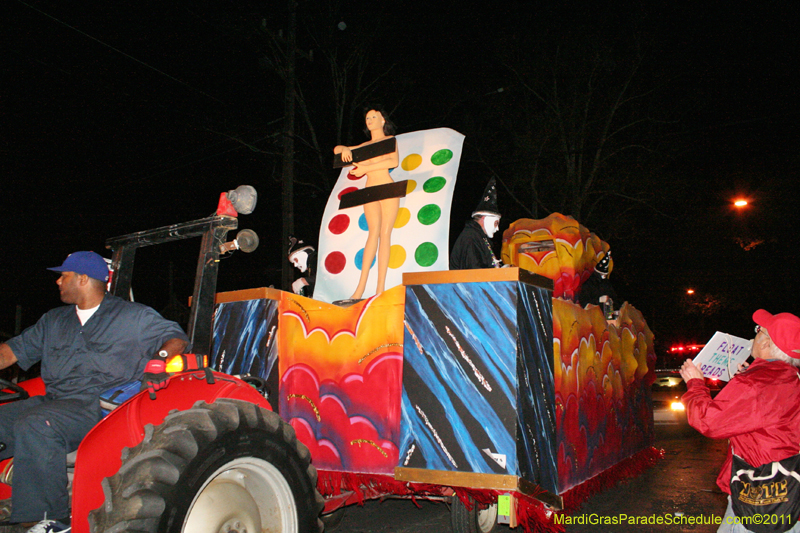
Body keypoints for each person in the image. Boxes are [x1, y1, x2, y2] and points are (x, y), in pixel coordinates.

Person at [0, 251, 188, 531]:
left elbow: (175, 337)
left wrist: (158, 360)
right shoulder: (54, 320)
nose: (58, 282)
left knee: (38, 424)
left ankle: (49, 520)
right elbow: (10, 352)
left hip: (97, 406)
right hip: (55, 400)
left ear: (83, 279)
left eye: (63, 276)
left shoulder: (131, 316)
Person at [679, 310, 800, 533]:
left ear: (767, 344)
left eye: (759, 331)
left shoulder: (758, 383)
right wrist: (746, 379)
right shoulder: (792, 377)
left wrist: (696, 384)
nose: (754, 337)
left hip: (759, 494)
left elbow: (709, 421)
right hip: (792, 490)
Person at [334, 106, 400, 300]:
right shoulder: (364, 147)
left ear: (383, 121)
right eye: (367, 118)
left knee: (385, 234)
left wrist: (364, 166)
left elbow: (392, 161)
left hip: (387, 189)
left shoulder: (390, 141)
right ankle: (360, 289)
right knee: (372, 234)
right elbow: (337, 151)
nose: (369, 120)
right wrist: (344, 149)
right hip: (370, 191)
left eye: (374, 116)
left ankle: (380, 288)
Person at [450, 178, 502, 270]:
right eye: (496, 223)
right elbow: (474, 271)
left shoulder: (479, 238)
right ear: (485, 219)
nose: (497, 228)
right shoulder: (470, 237)